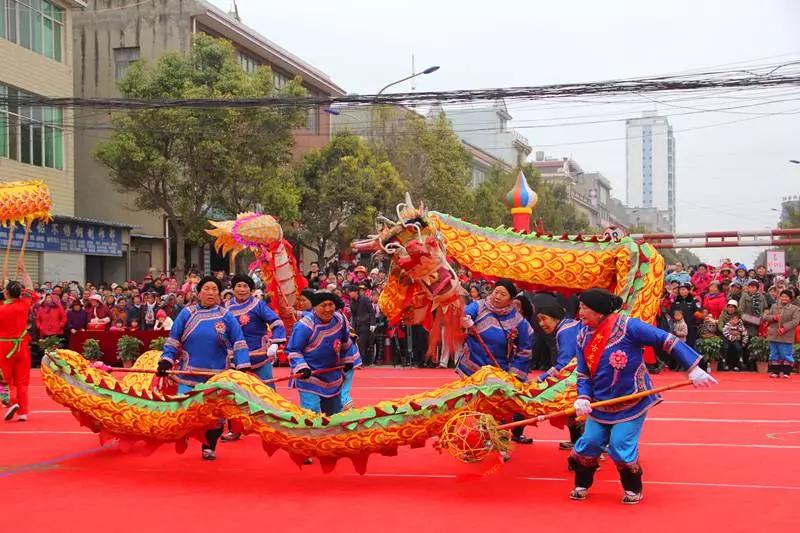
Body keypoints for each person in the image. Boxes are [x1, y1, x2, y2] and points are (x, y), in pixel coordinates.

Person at [568, 288, 716, 505]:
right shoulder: (582, 335)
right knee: (590, 442)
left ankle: (633, 488)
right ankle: (582, 483)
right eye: (580, 307)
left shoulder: (629, 326)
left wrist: (692, 367)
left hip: (632, 400)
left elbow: (665, 339)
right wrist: (583, 397)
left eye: (584, 308)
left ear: (599, 311)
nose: (580, 312)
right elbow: (583, 373)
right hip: (600, 403)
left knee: (620, 445)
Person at [157, 276, 250, 460]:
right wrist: (166, 360)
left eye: (215, 289)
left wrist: (242, 367)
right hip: (188, 373)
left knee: (214, 416)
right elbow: (173, 339)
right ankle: (183, 434)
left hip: (217, 376)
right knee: (184, 411)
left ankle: (209, 446)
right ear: (198, 293)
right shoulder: (187, 313)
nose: (211, 293)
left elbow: (239, 341)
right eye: (206, 289)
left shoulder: (226, 316)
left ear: (219, 294)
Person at [458, 279, 534, 445]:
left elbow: (525, 350)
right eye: (496, 292)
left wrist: (513, 376)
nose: (497, 296)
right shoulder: (479, 306)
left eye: (503, 294)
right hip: (473, 366)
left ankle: (499, 440)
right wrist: (465, 320)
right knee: (474, 405)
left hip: (499, 372)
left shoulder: (518, 321)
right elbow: (464, 313)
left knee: (497, 407)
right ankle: (476, 439)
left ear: (511, 299)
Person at [285, 292, 358, 417]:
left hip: (332, 374)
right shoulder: (305, 325)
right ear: (314, 307)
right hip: (310, 376)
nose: (328, 309)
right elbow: (293, 350)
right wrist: (302, 368)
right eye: (323, 305)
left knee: (334, 413)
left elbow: (345, 341)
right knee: (311, 412)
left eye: (331, 304)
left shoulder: (339, 320)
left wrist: (347, 360)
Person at [535, 296, 584, 449]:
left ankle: (585, 445)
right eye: (539, 320)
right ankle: (577, 442)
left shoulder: (565, 331)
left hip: (581, 375)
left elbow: (565, 363)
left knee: (571, 406)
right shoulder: (568, 326)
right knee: (571, 408)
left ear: (555, 317)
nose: (541, 324)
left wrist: (542, 378)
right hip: (581, 373)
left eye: (544, 319)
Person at [1, 260, 34, 422]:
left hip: (4, 347)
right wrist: (24, 272)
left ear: (6, 293)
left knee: (3, 380)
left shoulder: (2, 310)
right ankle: (23, 412)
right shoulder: (23, 305)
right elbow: (30, 290)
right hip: (22, 346)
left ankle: (11, 401)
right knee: (22, 381)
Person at [764, 289, 800, 379]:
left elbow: (796, 321)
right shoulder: (774, 306)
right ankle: (775, 372)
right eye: (782, 296)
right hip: (774, 334)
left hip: (786, 335)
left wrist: (784, 328)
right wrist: (773, 317)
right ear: (780, 297)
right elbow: (766, 317)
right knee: (774, 353)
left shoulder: (795, 309)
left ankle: (786, 372)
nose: (784, 298)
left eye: (786, 297)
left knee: (785, 354)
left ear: (790, 298)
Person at [347, 284, 376, 365]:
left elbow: (371, 312)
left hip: (366, 324)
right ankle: (359, 360)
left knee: (362, 343)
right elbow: (353, 316)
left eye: (351, 292)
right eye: (349, 292)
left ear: (356, 292)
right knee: (357, 343)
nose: (349, 293)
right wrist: (352, 327)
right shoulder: (351, 302)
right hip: (357, 324)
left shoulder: (365, 299)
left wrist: (373, 323)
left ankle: (361, 361)